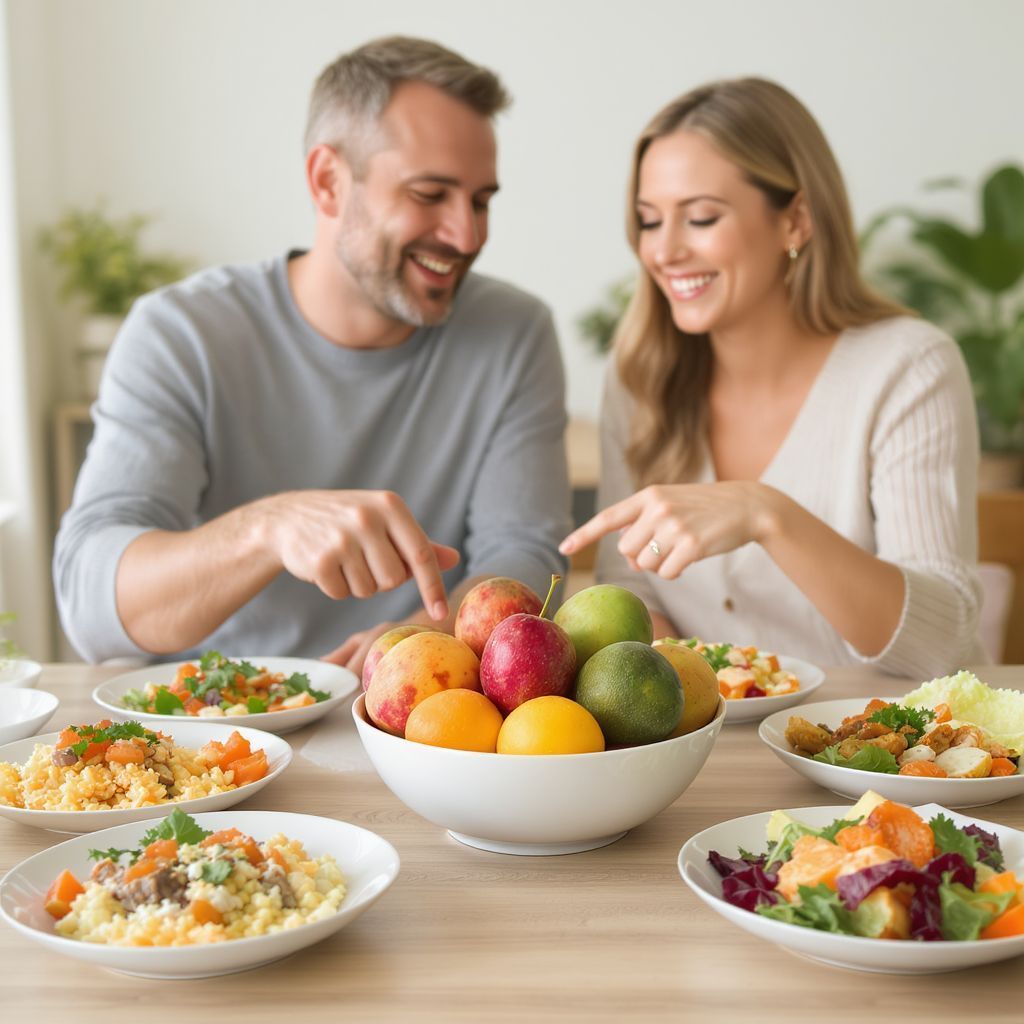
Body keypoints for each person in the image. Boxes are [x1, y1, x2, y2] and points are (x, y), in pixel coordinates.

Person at [54, 36, 571, 673]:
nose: (467, 234)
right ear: (328, 181)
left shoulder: (515, 334)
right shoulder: (182, 333)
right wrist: (269, 528)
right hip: (215, 735)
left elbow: (524, 558)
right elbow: (91, 604)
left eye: (481, 200)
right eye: (429, 195)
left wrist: (409, 651)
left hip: (418, 725)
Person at [560, 78, 983, 678]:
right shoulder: (639, 377)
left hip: (898, 752)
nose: (665, 251)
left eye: (701, 217)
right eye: (650, 221)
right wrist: (709, 692)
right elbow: (631, 594)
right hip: (716, 758)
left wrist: (766, 513)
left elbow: (938, 645)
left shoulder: (908, 370)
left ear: (796, 221)